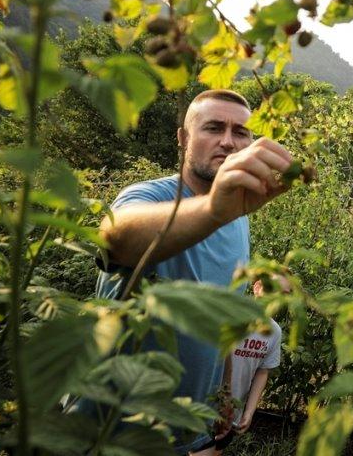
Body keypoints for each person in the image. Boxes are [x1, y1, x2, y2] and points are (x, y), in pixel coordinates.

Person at [92, 89, 293, 455]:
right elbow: (115, 237)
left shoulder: (239, 220)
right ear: (183, 138)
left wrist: (225, 399)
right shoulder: (149, 197)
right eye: (213, 128)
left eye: (241, 133)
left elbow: (225, 321)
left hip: (193, 432)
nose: (228, 142)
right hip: (114, 431)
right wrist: (214, 208)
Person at [211, 278, 283, 443]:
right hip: (205, 404)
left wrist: (249, 412)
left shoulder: (274, 331)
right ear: (257, 287)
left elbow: (263, 371)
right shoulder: (230, 317)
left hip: (232, 412)